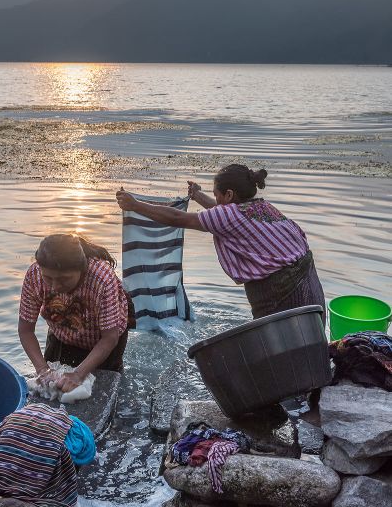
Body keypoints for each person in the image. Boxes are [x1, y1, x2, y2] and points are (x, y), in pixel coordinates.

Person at [116, 164, 325, 323]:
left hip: (281, 287)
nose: (215, 199)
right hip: (307, 276)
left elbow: (179, 219)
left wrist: (136, 205)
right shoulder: (262, 207)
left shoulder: (230, 215)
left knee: (278, 345)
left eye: (216, 195)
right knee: (309, 335)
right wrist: (198, 196)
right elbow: (221, 216)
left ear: (229, 195)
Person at [18, 233, 132, 393]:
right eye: (48, 278)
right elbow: (25, 329)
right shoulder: (35, 275)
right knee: (53, 385)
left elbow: (109, 338)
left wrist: (78, 374)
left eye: (64, 279)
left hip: (104, 336)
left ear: (82, 270)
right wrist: (42, 370)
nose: (54, 286)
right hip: (63, 328)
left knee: (103, 389)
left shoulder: (102, 279)